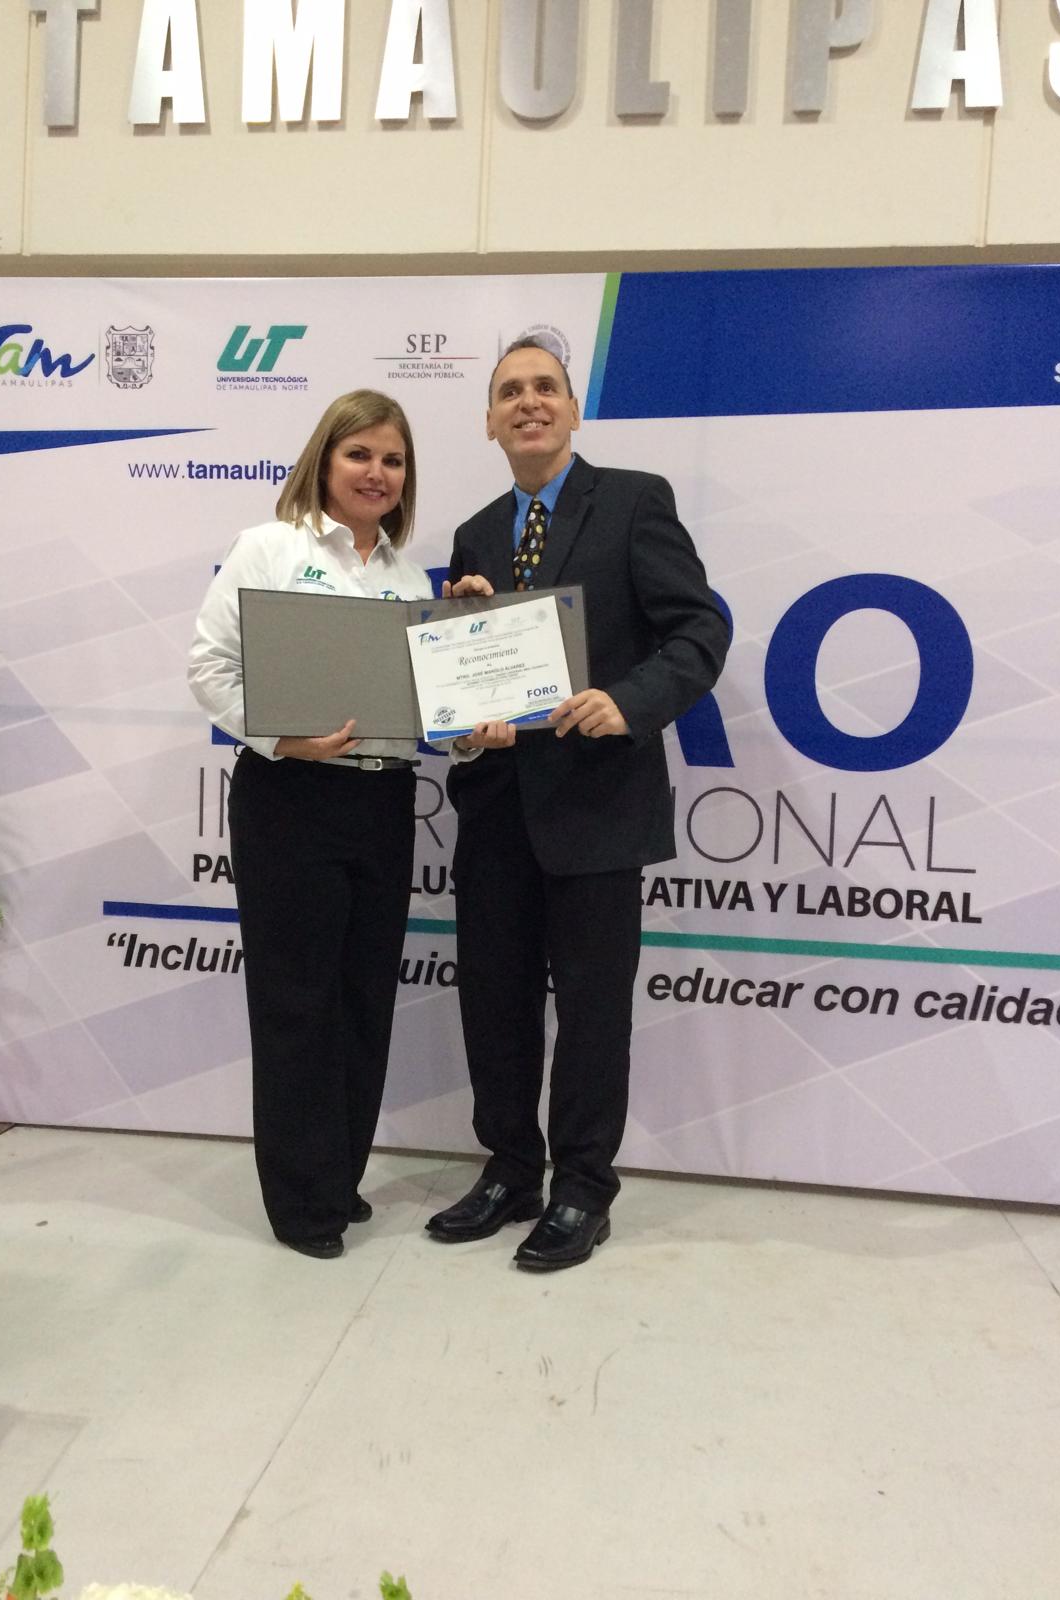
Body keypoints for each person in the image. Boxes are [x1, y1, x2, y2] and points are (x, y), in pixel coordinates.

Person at [425, 338, 730, 1271]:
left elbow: (699, 629)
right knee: (494, 1003)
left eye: (543, 388)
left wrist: (627, 702)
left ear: (571, 410)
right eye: (509, 392)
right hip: (496, 811)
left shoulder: (635, 501)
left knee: (594, 1012)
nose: (527, 403)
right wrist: (466, 686)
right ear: (488, 420)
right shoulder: (476, 534)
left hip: (597, 809)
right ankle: (511, 1168)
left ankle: (582, 1189)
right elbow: (478, 677)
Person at [188, 391, 431, 1260]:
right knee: (299, 1003)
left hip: (383, 802)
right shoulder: (270, 547)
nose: (377, 472)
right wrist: (279, 734)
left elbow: (421, 701)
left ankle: (339, 1175)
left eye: (393, 460)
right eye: (360, 454)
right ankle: (301, 1205)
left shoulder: (409, 576)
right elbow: (207, 665)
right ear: (324, 460)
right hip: (291, 797)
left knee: (365, 999)